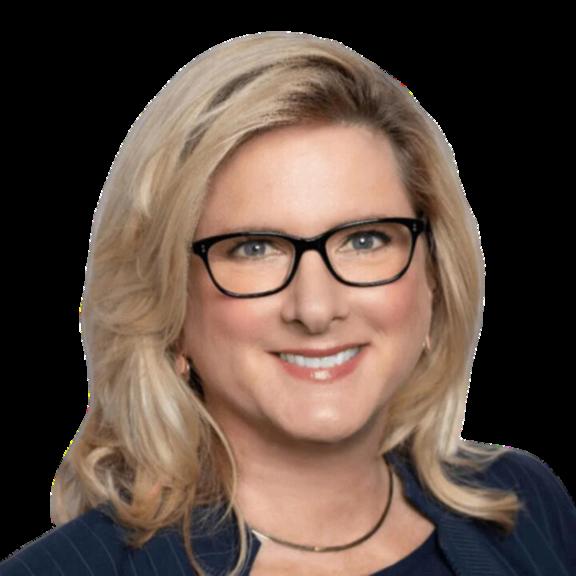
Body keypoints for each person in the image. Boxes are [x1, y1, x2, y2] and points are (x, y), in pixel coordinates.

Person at [2, 32, 574, 576]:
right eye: (254, 248)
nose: (316, 308)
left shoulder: (525, 506)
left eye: (364, 240)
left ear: (433, 274)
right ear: (167, 303)